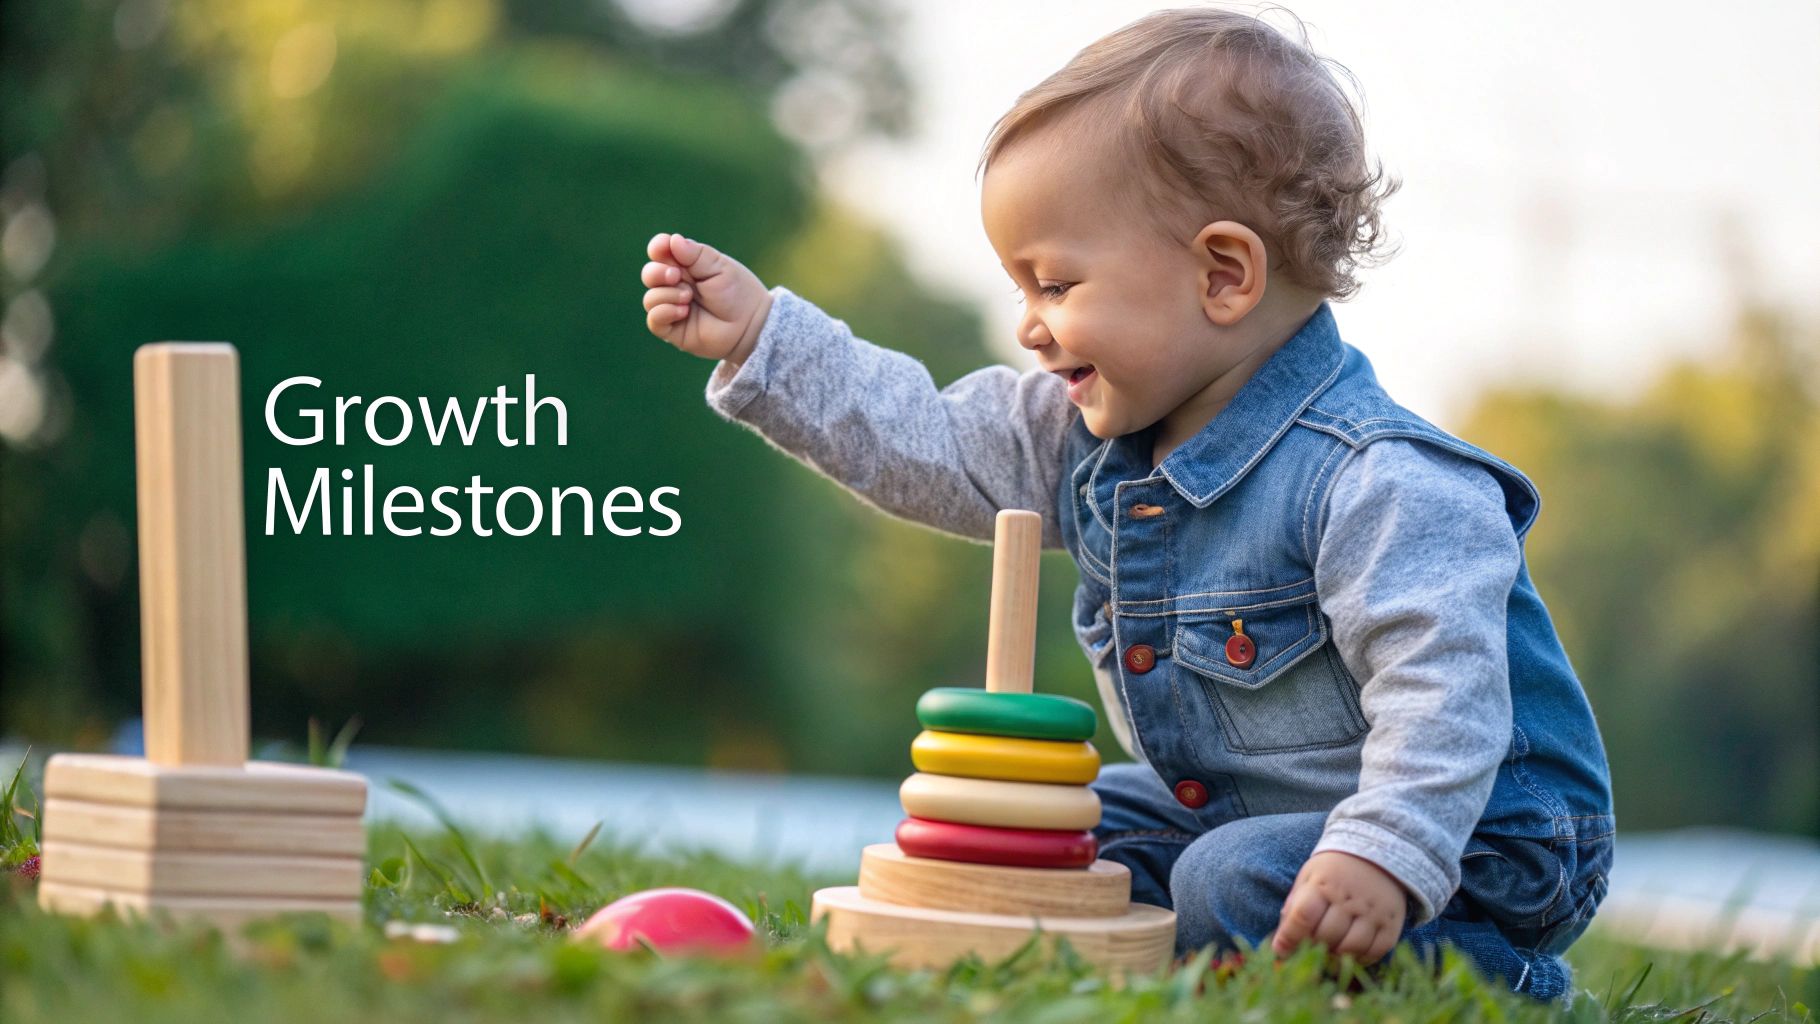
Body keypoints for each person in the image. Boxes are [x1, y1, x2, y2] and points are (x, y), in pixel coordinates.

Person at [638, 6, 1611, 1001]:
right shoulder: (1085, 435)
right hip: (1243, 809)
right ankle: (1173, 951)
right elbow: (925, 437)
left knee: (1226, 880)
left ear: (1222, 275)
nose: (1026, 325)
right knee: (1052, 833)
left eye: (1054, 283)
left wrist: (1384, 850)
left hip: (1481, 834)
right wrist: (763, 337)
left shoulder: (1377, 478)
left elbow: (1443, 690)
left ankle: (1506, 980)